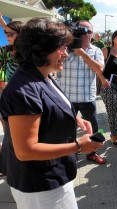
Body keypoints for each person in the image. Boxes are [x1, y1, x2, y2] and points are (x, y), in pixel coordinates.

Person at [0, 17, 104, 209]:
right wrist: (78, 147)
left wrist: (76, 118)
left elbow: (50, 104)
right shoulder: (23, 89)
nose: (66, 53)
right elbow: (26, 150)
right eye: (62, 47)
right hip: (40, 186)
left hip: (52, 176)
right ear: (42, 49)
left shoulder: (42, 75)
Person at [58, 20, 107, 165]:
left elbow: (99, 69)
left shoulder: (96, 50)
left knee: (93, 127)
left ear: (92, 34)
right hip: (67, 99)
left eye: (88, 32)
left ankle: (92, 153)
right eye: (81, 31)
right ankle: (67, 154)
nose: (85, 35)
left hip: (87, 98)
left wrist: (82, 52)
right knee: (66, 129)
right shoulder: (65, 49)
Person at [0, 13, 24, 177]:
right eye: (5, 33)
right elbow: (0, 68)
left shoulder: (28, 52)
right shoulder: (4, 50)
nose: (7, 36)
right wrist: (2, 81)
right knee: (8, 131)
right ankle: (5, 165)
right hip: (6, 93)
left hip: (24, 95)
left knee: (20, 132)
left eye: (11, 34)